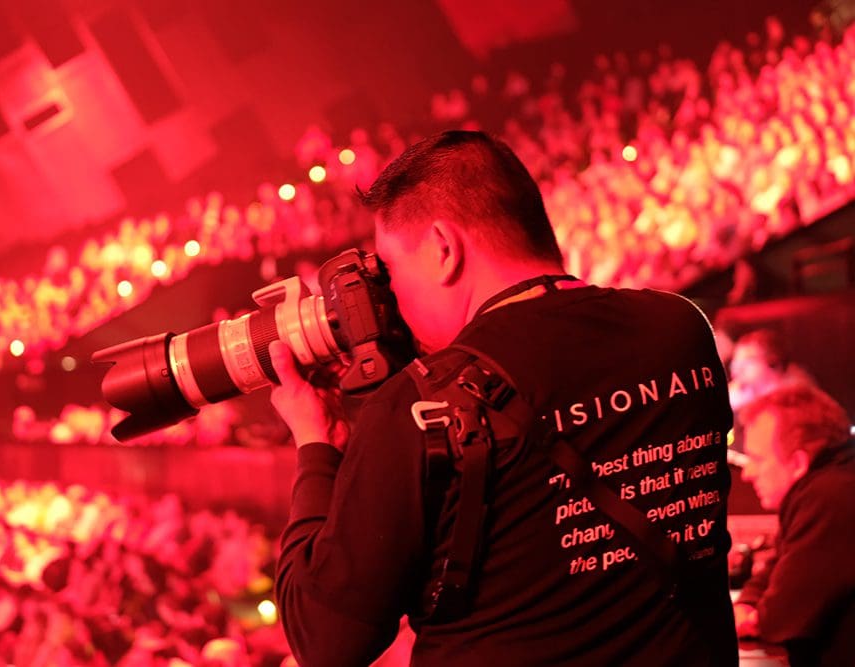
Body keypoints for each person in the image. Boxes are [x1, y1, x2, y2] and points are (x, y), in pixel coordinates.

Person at [268, 130, 737, 666]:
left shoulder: (421, 405)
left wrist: (317, 442)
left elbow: (324, 640)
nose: (392, 298)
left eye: (392, 271)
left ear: (444, 248)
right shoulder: (680, 328)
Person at [734, 384, 855, 665]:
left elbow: (780, 617)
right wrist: (747, 603)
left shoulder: (831, 497)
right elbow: (776, 565)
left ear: (798, 462)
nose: (747, 474)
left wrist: (755, 616)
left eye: (758, 459)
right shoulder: (827, 484)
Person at [727, 329, 816, 412]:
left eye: (747, 362)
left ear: (773, 362)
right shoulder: (740, 393)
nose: (737, 370)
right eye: (735, 363)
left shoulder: (797, 398)